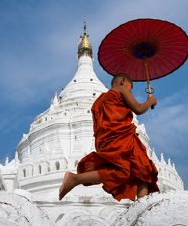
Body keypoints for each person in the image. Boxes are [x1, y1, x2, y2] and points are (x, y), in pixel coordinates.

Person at [59, 73, 160, 201]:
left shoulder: (100, 100)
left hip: (108, 141)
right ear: (123, 81)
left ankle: (143, 203)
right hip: (122, 139)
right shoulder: (121, 89)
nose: (130, 90)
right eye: (131, 87)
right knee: (132, 169)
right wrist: (150, 101)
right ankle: (76, 178)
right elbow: (138, 109)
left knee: (142, 168)